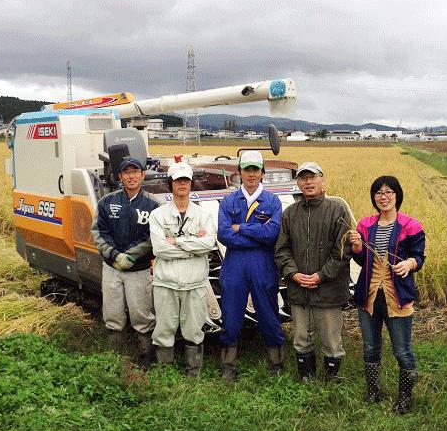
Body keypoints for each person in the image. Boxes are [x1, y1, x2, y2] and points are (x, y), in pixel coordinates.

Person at [348, 176, 425, 414]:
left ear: (397, 195)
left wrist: (409, 264)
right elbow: (361, 260)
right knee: (371, 347)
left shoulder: (410, 225)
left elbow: (419, 257)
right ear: (374, 198)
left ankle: (404, 399)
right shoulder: (365, 225)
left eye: (389, 192)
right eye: (379, 193)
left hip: (397, 296)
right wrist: (358, 247)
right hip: (369, 296)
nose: (384, 197)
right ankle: (373, 392)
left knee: (402, 349)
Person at [275, 162, 350, 382]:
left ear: (323, 180)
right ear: (298, 183)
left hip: (328, 290)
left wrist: (321, 276)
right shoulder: (290, 214)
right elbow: (281, 250)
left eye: (313, 177)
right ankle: (306, 378)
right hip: (299, 289)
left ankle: (331, 379)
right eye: (303, 178)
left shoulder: (337, 210)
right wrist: (294, 274)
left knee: (331, 340)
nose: (308, 182)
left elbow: (343, 251)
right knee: (300, 338)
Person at [217, 150, 285, 380]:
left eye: (256, 169)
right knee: (231, 313)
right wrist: (256, 232)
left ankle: (276, 363)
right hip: (234, 263)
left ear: (263, 173)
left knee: (268, 312)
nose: (251, 174)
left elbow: (272, 234)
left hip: (263, 263)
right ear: (239, 173)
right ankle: (228, 365)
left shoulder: (273, 201)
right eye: (247, 169)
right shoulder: (228, 201)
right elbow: (224, 234)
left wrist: (242, 228)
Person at [149, 161, 216, 377]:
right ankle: (164, 372)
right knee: (164, 329)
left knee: (194, 330)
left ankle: (193, 373)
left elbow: (209, 244)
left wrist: (177, 242)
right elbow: (159, 249)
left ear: (191, 184)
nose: (182, 184)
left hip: (195, 283)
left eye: (186, 180)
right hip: (165, 282)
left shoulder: (202, 214)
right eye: (178, 180)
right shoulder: (158, 215)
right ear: (171, 183)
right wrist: (193, 247)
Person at [91, 157, 160, 367]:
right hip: (112, 268)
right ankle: (115, 358)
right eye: (126, 173)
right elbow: (99, 232)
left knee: (141, 314)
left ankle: (146, 359)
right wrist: (114, 255)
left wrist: (132, 255)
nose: (131, 176)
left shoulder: (153, 204)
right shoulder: (107, 202)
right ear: (120, 177)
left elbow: (153, 236)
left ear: (142, 175)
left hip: (139, 270)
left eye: (135, 172)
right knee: (112, 313)